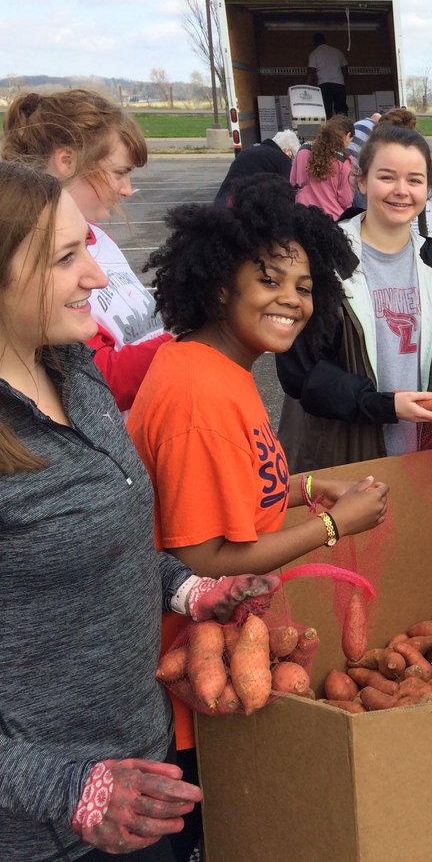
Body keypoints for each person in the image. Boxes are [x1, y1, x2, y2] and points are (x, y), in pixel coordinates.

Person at [0, 161, 277, 861]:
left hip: (143, 778)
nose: (96, 276)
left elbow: (110, 537)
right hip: (46, 829)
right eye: (66, 257)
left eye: (85, 246)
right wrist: (68, 789)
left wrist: (189, 589)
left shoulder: (72, 366)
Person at [127, 175, 391, 860]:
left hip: (213, 651)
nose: (292, 301)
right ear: (219, 284)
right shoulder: (197, 395)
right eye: (269, 280)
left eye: (304, 287)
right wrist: (334, 528)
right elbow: (200, 560)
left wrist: (308, 489)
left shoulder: (223, 370)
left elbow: (243, 487)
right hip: (186, 672)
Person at [276, 126, 432, 471]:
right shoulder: (322, 258)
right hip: (340, 458)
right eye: (387, 177)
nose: (401, 191)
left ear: (427, 190)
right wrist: (384, 405)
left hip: (420, 457)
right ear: (361, 181)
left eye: (414, 180)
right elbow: (302, 372)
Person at [2, 89, 171, 413]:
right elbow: (98, 378)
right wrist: (196, 339)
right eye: (120, 172)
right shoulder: (33, 261)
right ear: (66, 161)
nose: (126, 189)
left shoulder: (98, 238)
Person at [213, 129, 300, 205]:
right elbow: (289, 190)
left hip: (222, 199)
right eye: (292, 156)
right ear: (288, 150)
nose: (291, 160)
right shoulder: (281, 159)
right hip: (240, 204)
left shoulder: (250, 150)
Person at [291, 115, 354, 219]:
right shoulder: (343, 161)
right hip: (331, 220)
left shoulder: (302, 151)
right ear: (347, 135)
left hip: (302, 217)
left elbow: (293, 183)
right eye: (350, 139)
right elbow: (345, 200)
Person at [308, 32, 348, 118]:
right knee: (341, 110)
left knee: (326, 111)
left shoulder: (314, 53)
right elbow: (345, 67)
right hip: (339, 84)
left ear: (314, 42)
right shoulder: (337, 52)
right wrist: (344, 80)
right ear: (325, 40)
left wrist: (306, 85)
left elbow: (312, 71)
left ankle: (329, 129)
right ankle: (345, 128)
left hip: (324, 85)